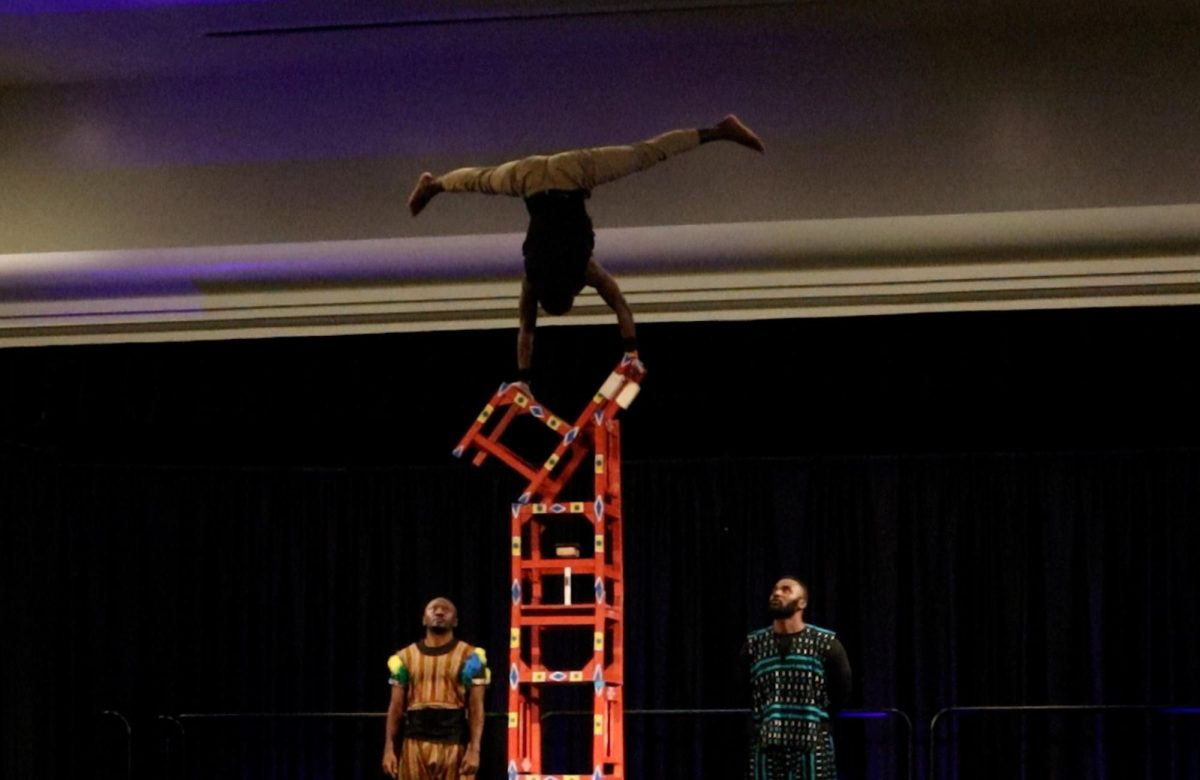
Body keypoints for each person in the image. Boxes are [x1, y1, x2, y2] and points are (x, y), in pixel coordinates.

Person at [406, 115, 764, 390]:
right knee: (481, 180)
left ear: (573, 292)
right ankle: (434, 184)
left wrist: (632, 352)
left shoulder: (584, 270)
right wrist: (523, 380)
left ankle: (721, 130)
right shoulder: (534, 281)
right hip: (529, 178)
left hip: (571, 175)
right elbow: (526, 330)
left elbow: (621, 305)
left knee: (644, 155)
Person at [743, 577, 852, 780]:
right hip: (767, 745)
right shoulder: (754, 644)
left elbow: (842, 691)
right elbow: (742, 689)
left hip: (811, 746)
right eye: (775, 589)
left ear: (802, 603)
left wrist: (816, 718)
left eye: (786, 590)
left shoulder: (825, 644)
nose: (777, 593)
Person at [382, 597, 490, 779]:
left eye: (445, 609)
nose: (439, 612)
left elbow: (476, 707)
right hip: (414, 744)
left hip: (455, 744)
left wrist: (474, 749)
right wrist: (389, 749)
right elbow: (396, 707)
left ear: (455, 621)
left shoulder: (471, 657)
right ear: (424, 619)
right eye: (433, 609)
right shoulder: (404, 657)